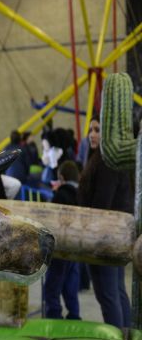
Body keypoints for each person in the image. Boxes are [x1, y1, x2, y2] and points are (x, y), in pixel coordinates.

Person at [78, 117, 133, 328]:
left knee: (109, 295)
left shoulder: (107, 162)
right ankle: (127, 339)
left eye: (97, 130)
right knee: (115, 292)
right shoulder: (103, 159)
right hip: (112, 236)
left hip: (106, 236)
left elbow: (102, 204)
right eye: (91, 129)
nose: (92, 134)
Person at [44, 160, 81, 320]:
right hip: (77, 246)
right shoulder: (82, 193)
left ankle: (54, 315)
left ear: (61, 177)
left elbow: (53, 221)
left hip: (60, 247)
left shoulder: (60, 195)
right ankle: (74, 314)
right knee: (71, 285)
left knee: (52, 286)